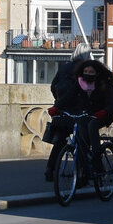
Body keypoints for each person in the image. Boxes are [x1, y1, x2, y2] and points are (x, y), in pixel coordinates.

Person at [47, 57, 113, 176]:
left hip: (103, 114)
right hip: (87, 113)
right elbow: (68, 96)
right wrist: (56, 107)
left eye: (91, 72)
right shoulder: (80, 83)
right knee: (80, 129)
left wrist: (103, 112)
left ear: (97, 73)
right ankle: (83, 169)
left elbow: (111, 104)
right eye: (85, 72)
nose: (88, 74)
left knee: (92, 125)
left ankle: (96, 156)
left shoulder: (106, 84)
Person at [43, 42, 92, 181]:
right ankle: (82, 173)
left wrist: (58, 101)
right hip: (77, 110)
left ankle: (49, 168)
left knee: (60, 141)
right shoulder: (84, 69)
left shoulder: (64, 67)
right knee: (83, 140)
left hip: (62, 110)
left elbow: (53, 86)